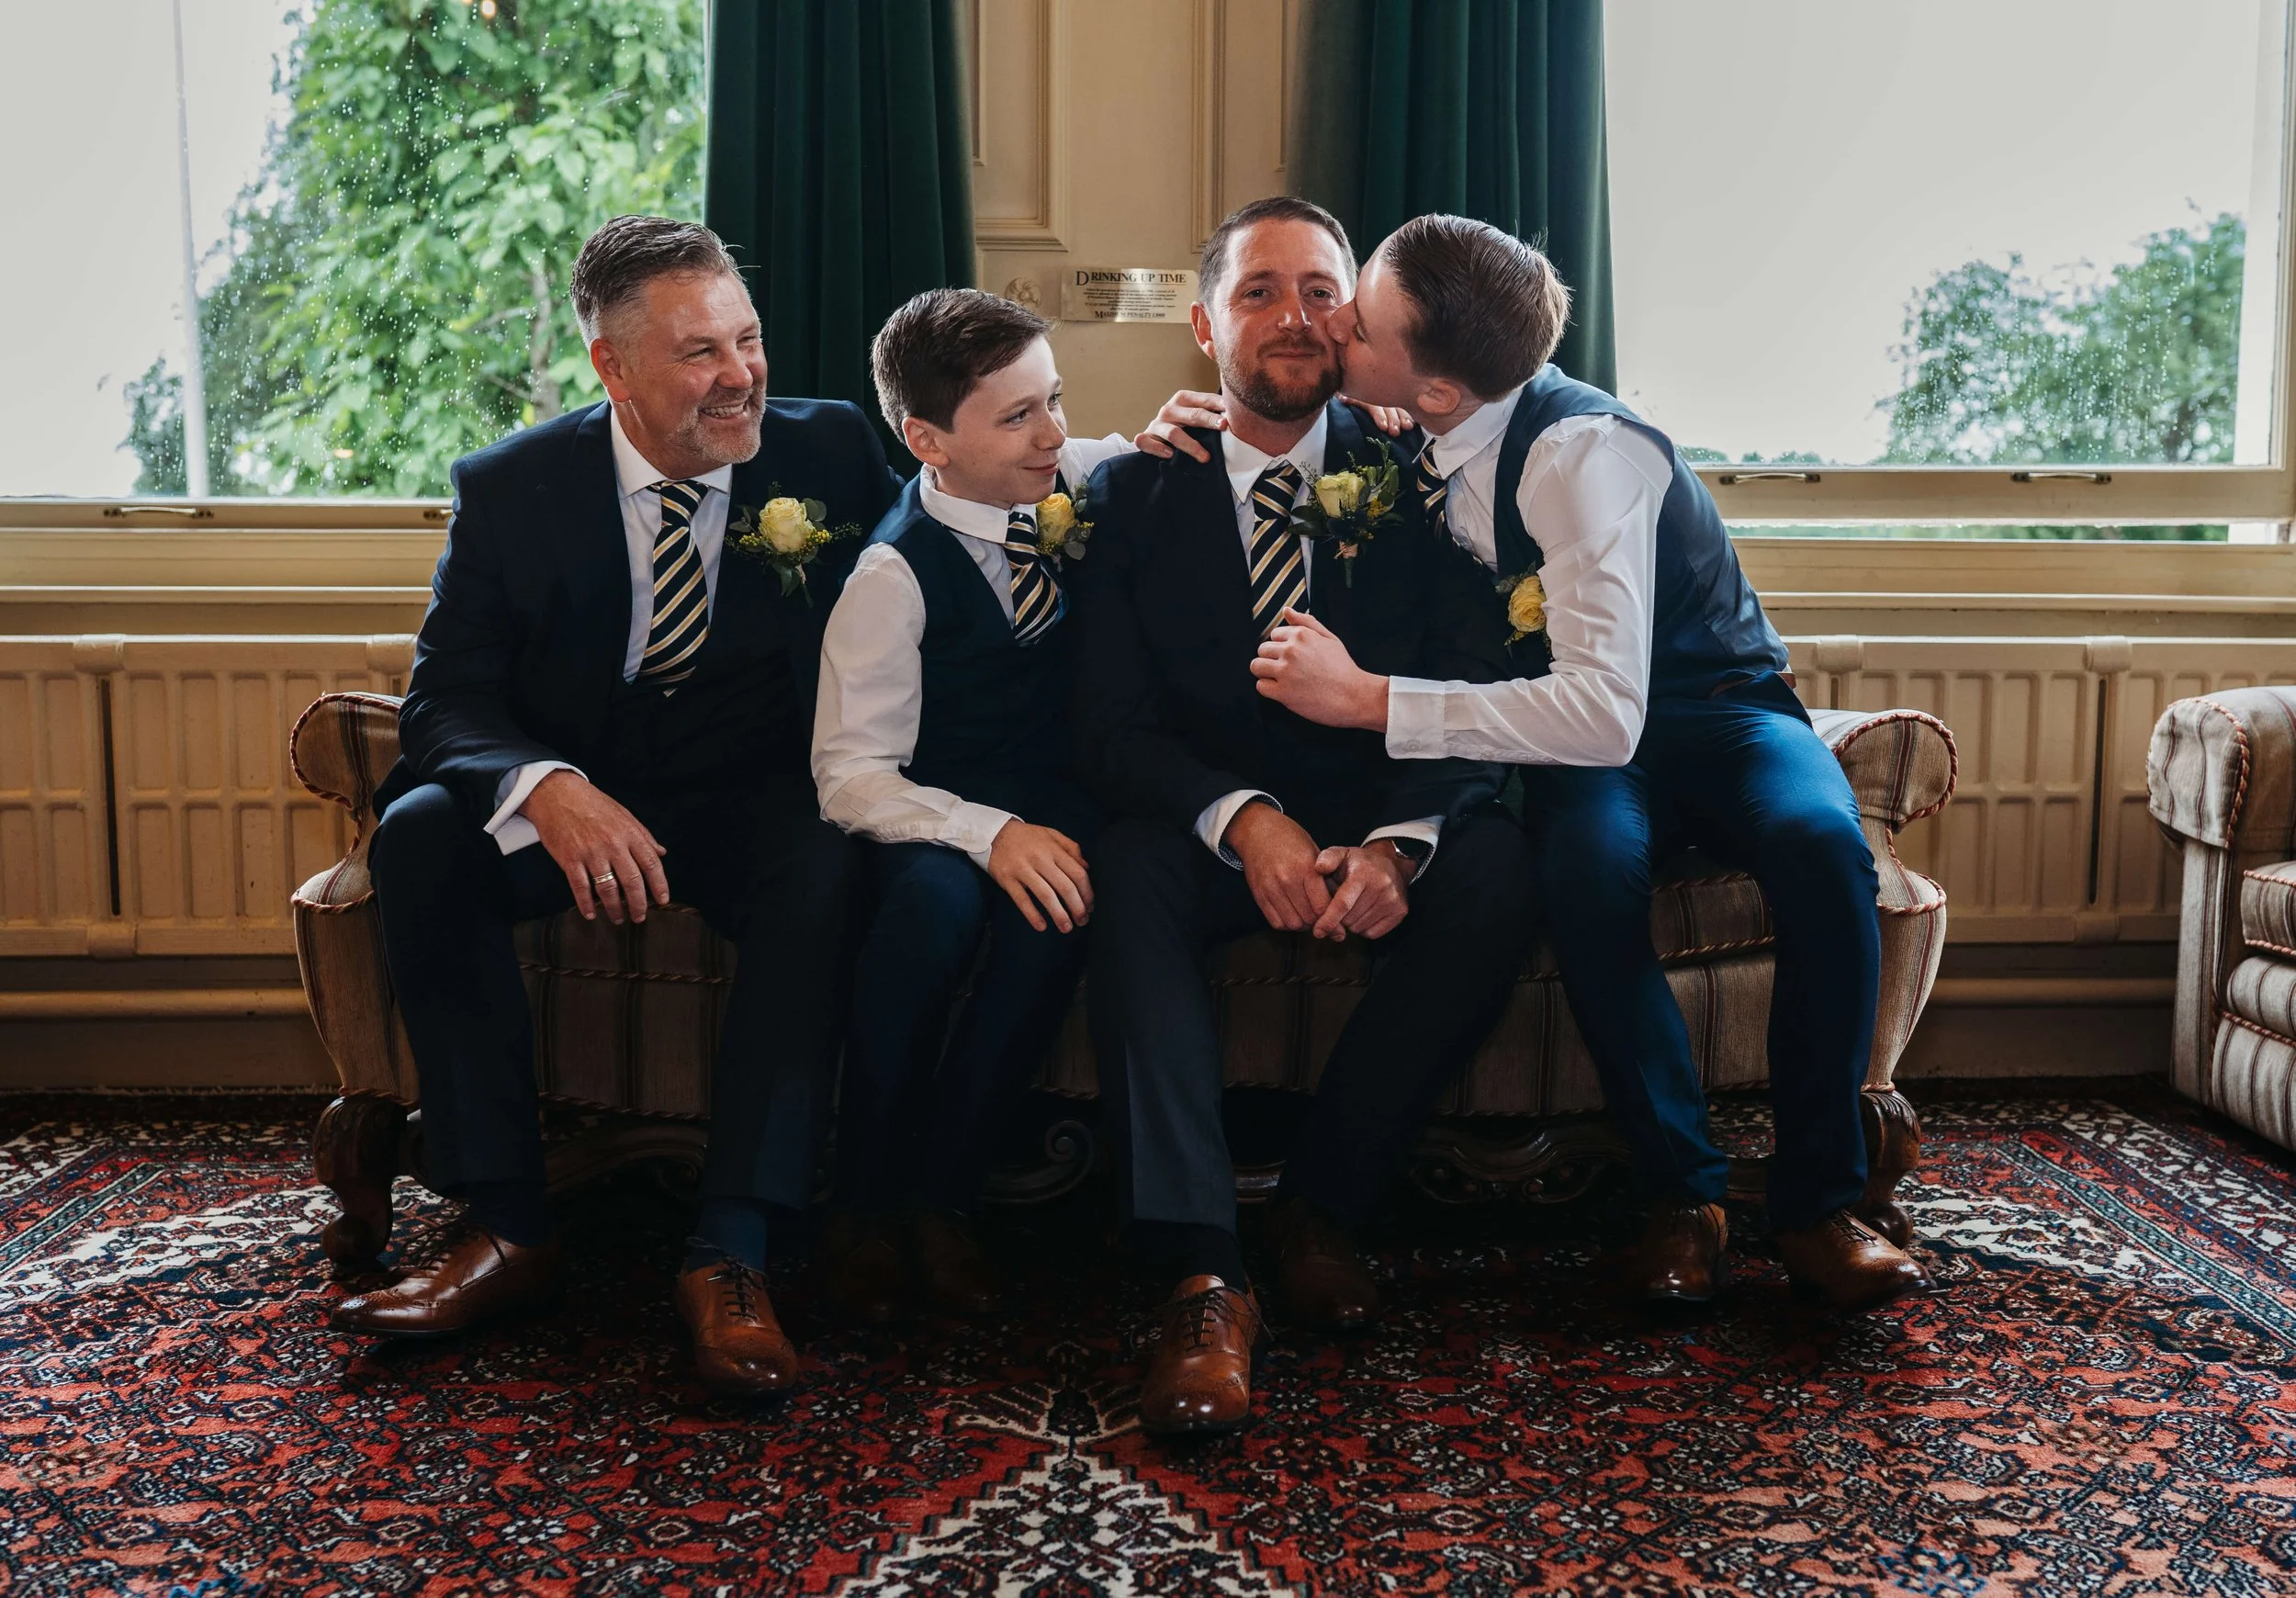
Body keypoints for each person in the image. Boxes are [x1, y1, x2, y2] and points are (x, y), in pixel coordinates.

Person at [335, 215, 1242, 1396]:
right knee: (416, 836)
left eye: (747, 339)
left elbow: (978, 480)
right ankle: (507, 1226)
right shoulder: (511, 489)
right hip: (581, 801)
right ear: (613, 367)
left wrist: (1137, 449)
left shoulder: (824, 449)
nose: (740, 375)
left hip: (755, 801)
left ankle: (735, 1250)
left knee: (818, 867)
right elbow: (445, 698)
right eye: (699, 353)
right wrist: (547, 788)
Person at [1251, 213, 1929, 1314]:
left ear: (1437, 387)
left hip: (1715, 708)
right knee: (1583, 868)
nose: (1335, 330)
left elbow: (1605, 715)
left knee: (1820, 845)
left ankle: (1820, 1206)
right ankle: (1684, 1202)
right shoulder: (1426, 415)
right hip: (1580, 737)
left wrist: (1368, 699)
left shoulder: (1579, 453)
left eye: (1357, 323)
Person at [1069, 197, 1536, 1438]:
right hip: (1208, 831)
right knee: (1126, 867)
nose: (1295, 317)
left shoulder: (1421, 479)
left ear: (1358, 320)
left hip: (1372, 812)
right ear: (1203, 325)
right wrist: (1243, 820)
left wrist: (1400, 843)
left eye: (1323, 292)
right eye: (1260, 291)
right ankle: (1202, 1274)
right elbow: (1110, 728)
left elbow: (1474, 683)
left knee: (1492, 865)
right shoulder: (1131, 493)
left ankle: (1321, 1208)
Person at [808, 288, 1109, 1322]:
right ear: (926, 439)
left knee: (1055, 914)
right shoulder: (891, 574)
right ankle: (862, 1205)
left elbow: (1149, 445)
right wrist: (987, 835)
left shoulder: (1067, 479)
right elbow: (851, 774)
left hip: (1057, 807)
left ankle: (945, 1201)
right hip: (927, 809)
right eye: (1018, 416)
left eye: (1054, 399)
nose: (1053, 432)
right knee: (931, 915)